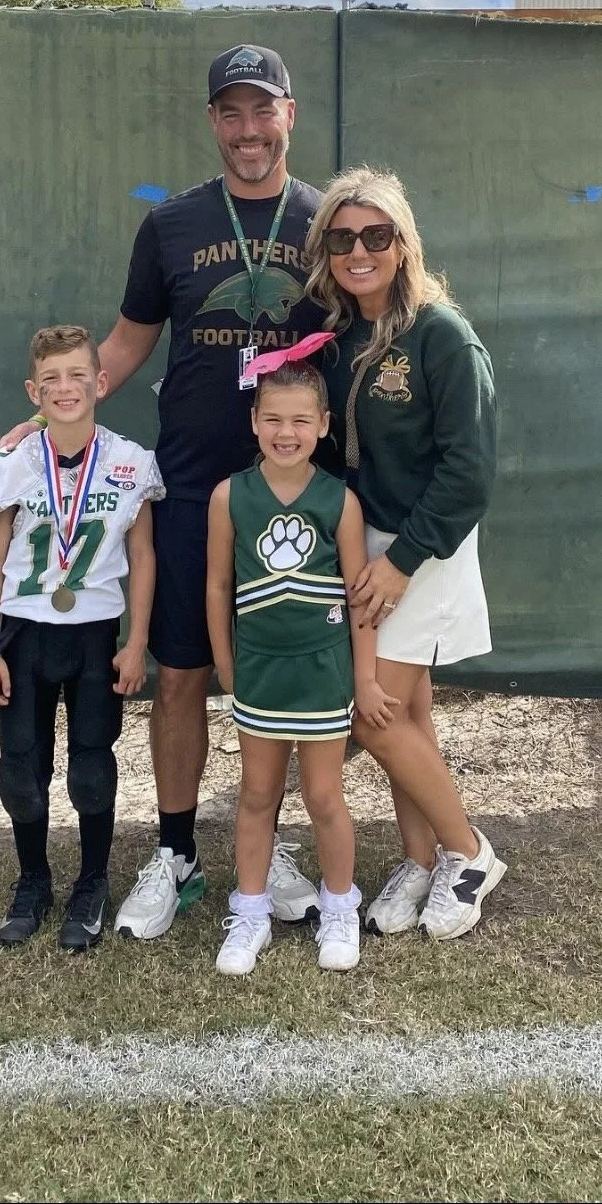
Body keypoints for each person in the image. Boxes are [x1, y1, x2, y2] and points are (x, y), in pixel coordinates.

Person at [0, 45, 325, 939]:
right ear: (213, 121)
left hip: (292, 495)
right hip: (186, 489)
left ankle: (270, 845)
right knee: (180, 676)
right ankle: (176, 853)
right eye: (232, 112)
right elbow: (126, 343)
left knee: (278, 675)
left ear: (289, 116)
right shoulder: (172, 224)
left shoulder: (325, 221)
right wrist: (50, 414)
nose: (250, 130)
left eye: (264, 111)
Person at [308, 167, 506, 940]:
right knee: (410, 711)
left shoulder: (442, 334)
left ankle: (470, 854)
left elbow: (469, 472)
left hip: (423, 548)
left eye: (376, 235)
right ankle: (420, 861)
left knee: (374, 714)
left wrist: (400, 561)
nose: (359, 251)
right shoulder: (338, 335)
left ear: (403, 243)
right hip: (367, 544)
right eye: (343, 238)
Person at [205, 352, 396, 975]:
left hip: (322, 673)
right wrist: (226, 667)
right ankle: (250, 912)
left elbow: (359, 597)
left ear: (323, 425)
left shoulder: (340, 501)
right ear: (253, 421)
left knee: (323, 796)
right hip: (259, 671)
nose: (285, 433)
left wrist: (364, 678)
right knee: (257, 794)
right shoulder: (229, 496)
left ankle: (340, 907)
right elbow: (217, 588)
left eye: (300, 421)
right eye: (273, 419)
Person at [0, 325, 163, 951]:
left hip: (94, 634)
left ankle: (91, 882)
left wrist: (136, 641)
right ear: (34, 391)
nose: (66, 388)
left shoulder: (131, 463)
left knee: (91, 768)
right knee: (20, 768)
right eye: (51, 379)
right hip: (24, 631)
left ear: (100, 383)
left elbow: (143, 555)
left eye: (78, 375)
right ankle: (33, 879)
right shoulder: (12, 464)